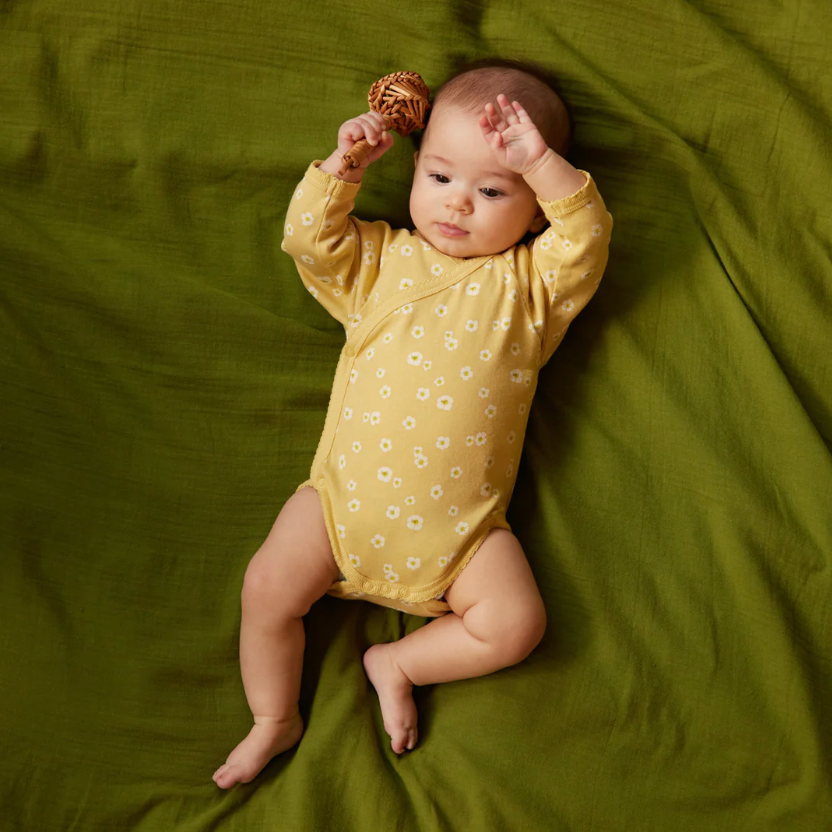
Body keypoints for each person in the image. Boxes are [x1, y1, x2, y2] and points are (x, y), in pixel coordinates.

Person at [213, 60, 613, 789]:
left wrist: (546, 166)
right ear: (417, 167)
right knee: (266, 589)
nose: (458, 203)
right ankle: (273, 717)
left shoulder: (529, 290)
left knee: (517, 625)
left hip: (460, 534)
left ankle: (399, 661)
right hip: (338, 509)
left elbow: (586, 239)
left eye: (493, 191)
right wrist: (345, 166)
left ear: (532, 213)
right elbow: (310, 239)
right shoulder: (380, 261)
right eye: (439, 177)